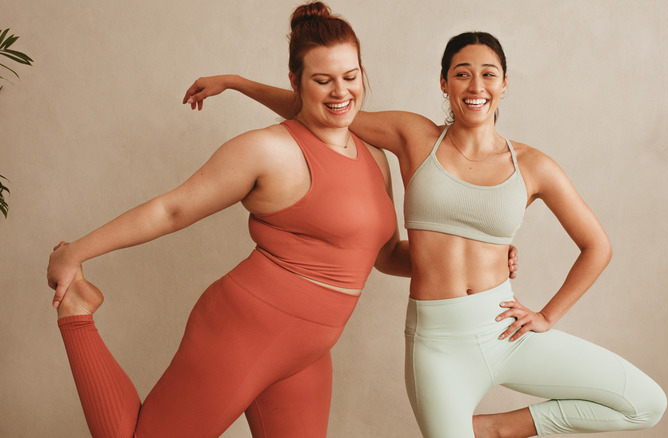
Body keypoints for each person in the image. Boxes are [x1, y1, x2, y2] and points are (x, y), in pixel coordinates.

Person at [183, 30, 667, 438]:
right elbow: (321, 106)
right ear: (444, 82)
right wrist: (235, 83)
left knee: (645, 403)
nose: (475, 84)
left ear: (504, 84)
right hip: (437, 344)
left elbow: (597, 246)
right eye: (461, 72)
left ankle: (496, 429)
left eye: (488, 73)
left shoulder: (534, 165)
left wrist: (547, 314)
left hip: (504, 329)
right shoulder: (415, 136)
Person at [47, 3, 412, 437]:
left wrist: (479, 258)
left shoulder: (375, 156)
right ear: (295, 81)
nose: (340, 92)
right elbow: (172, 209)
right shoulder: (268, 150)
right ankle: (78, 312)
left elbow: (386, 255)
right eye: (323, 80)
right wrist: (75, 253)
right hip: (246, 330)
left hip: (309, 350)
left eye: (350, 77)